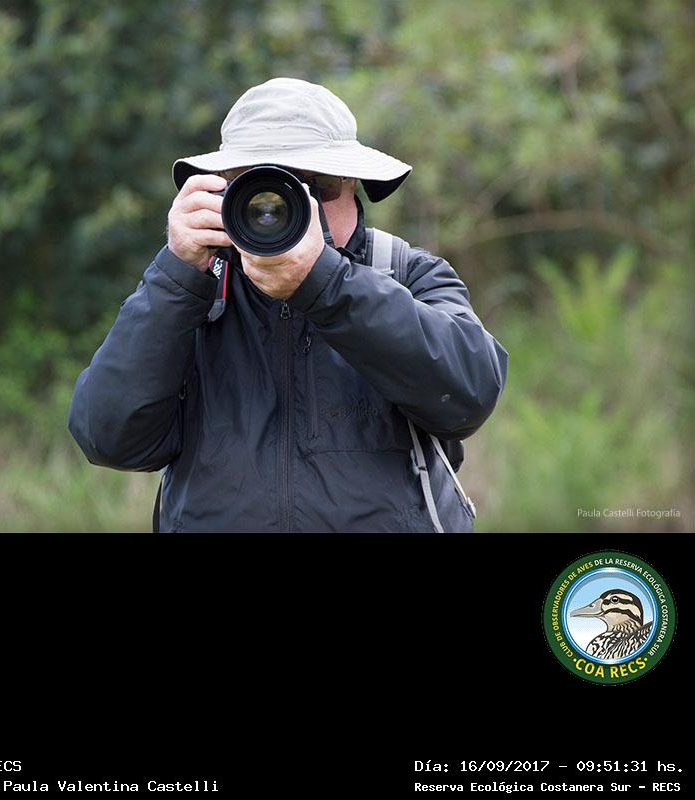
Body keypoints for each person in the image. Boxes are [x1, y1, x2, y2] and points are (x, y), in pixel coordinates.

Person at [68, 77, 508, 532]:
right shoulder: (191, 290)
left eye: (319, 186)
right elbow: (108, 438)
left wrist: (327, 285)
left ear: (355, 184)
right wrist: (176, 274)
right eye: (263, 191)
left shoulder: (404, 272)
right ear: (223, 193)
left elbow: (469, 396)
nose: (293, 207)